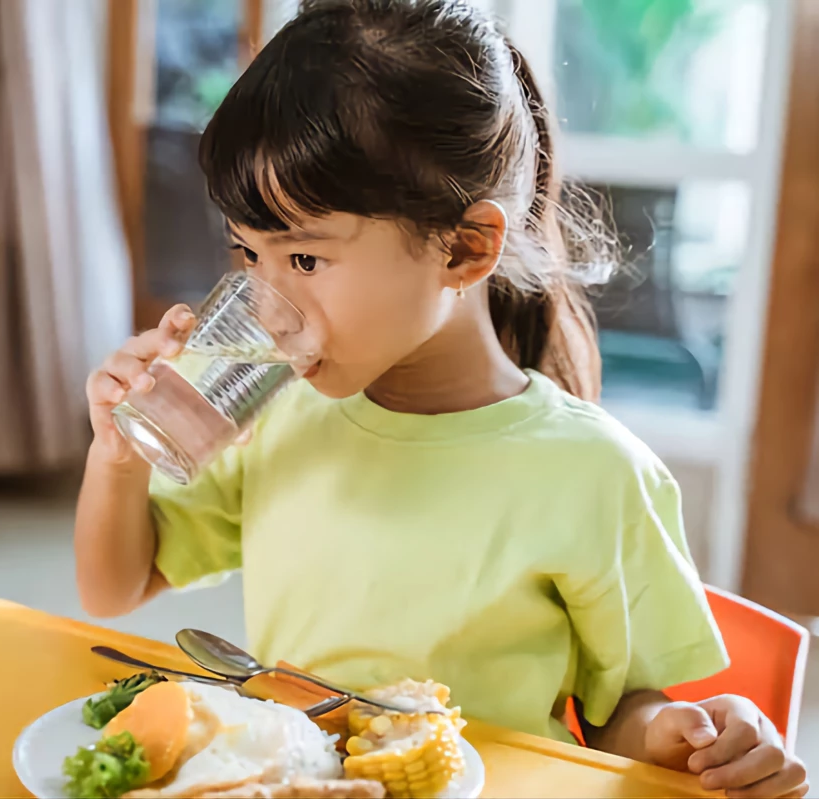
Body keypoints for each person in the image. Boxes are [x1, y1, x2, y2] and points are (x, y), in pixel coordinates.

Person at [75, 1, 808, 795]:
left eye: (307, 260)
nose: (263, 300)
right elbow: (115, 586)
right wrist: (116, 457)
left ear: (463, 249)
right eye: (249, 253)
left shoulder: (592, 474)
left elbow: (617, 713)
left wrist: (685, 734)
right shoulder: (276, 416)